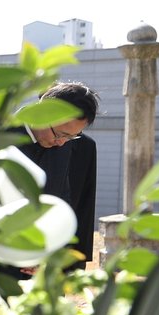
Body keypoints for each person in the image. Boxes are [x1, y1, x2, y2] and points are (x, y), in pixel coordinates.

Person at [22, 81, 100, 267]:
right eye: (59, 134)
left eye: (71, 137)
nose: (62, 143)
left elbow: (68, 204)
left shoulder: (70, 145)